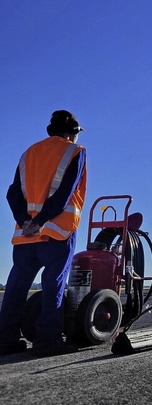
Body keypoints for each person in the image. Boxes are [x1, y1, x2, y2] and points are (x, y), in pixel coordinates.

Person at [0, 110, 87, 357]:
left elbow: (12, 193)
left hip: (26, 235)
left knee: (17, 285)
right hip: (57, 231)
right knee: (53, 284)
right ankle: (48, 340)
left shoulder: (29, 153)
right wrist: (40, 220)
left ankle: (4, 340)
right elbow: (65, 193)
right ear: (72, 133)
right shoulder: (75, 152)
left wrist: (25, 221)